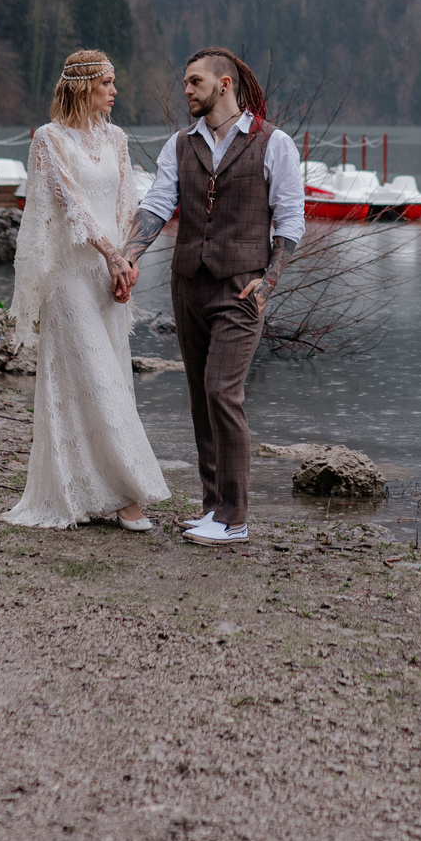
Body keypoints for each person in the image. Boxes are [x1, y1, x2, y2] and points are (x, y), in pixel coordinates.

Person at [120, 47, 304, 547]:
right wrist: (130, 254)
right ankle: (212, 509)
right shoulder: (180, 144)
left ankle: (236, 518)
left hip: (241, 288)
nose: (186, 90)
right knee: (202, 396)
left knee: (224, 391)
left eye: (194, 81)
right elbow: (157, 204)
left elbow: (289, 221)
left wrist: (269, 282)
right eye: (185, 82)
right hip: (188, 284)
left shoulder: (274, 143)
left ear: (224, 85)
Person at [0, 50, 170, 532]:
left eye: (114, 83)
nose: (115, 91)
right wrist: (107, 253)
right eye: (107, 83)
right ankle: (126, 494)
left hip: (108, 273)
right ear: (82, 86)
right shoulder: (47, 139)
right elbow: (69, 203)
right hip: (71, 276)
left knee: (112, 374)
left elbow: (125, 203)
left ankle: (96, 488)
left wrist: (126, 261)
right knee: (93, 376)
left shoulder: (117, 138)